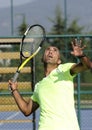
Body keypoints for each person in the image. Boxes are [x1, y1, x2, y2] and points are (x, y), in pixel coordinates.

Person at [8, 39, 91, 130]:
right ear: (42, 58)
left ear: (59, 61)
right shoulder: (39, 86)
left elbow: (86, 66)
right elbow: (26, 110)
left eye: (55, 50)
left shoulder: (64, 70)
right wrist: (15, 90)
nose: (51, 51)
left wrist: (81, 56)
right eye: (48, 49)